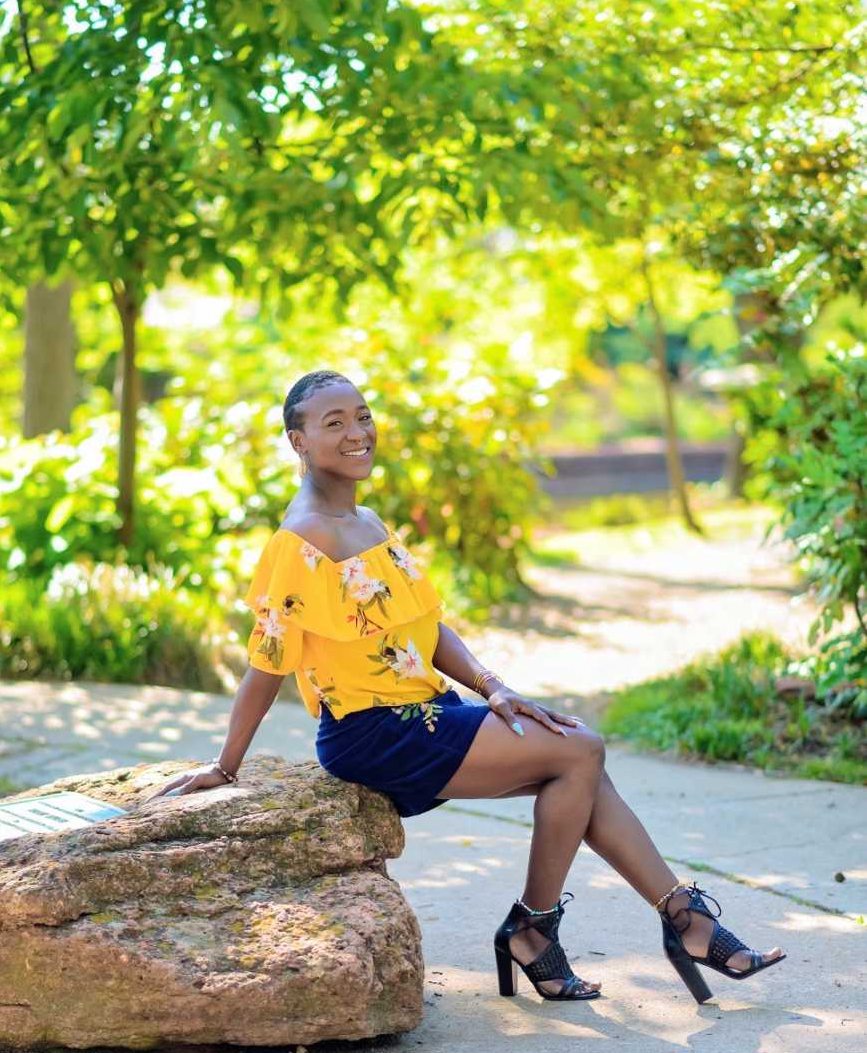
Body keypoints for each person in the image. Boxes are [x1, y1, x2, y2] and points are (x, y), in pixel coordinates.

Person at [146, 369, 786, 1003]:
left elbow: (427, 628)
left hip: (427, 714)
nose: (357, 432)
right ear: (298, 443)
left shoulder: (367, 523)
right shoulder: (301, 539)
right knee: (580, 749)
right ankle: (557, 930)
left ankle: (673, 922)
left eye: (363, 416)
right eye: (333, 423)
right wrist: (226, 767)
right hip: (373, 732)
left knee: (580, 770)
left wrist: (493, 687)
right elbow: (268, 660)